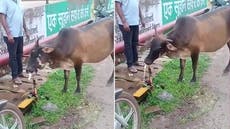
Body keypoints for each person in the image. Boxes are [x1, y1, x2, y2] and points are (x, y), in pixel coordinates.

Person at [0, 0, 29, 84]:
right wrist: (9, 33)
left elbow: (21, 16)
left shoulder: (19, 1)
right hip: (11, 34)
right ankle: (14, 76)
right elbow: (2, 17)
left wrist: (26, 30)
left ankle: (20, 72)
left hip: (19, 33)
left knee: (19, 53)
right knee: (13, 56)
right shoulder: (4, 1)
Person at [115, 0, 145, 73]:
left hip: (135, 22)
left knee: (135, 43)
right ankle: (130, 65)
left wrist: (141, 18)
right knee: (128, 44)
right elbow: (117, 6)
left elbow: (137, 6)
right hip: (126, 23)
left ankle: (135, 61)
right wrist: (124, 22)